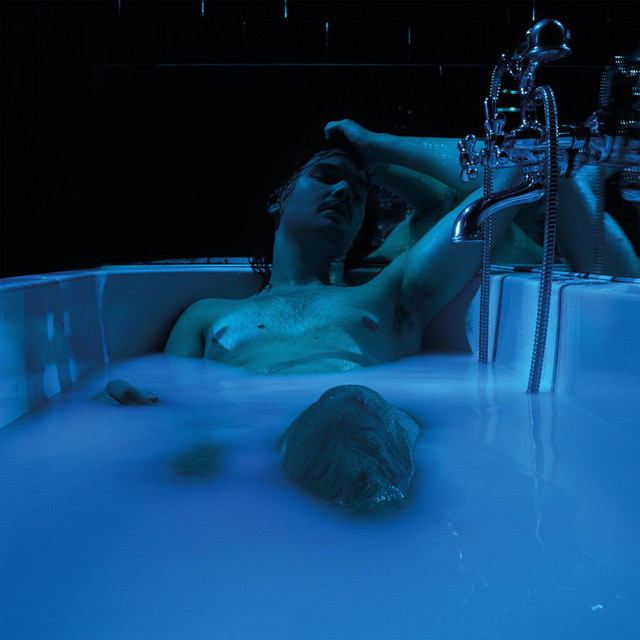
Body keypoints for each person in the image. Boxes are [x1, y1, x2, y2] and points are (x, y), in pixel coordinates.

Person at [97, 119, 633, 514]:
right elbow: (173, 405)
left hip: (358, 431)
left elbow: (512, 177)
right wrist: (121, 397)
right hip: (241, 444)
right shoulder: (207, 314)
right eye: (327, 177)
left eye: (358, 193)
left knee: (346, 407)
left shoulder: (388, 295)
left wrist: (379, 146)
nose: (343, 193)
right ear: (278, 199)